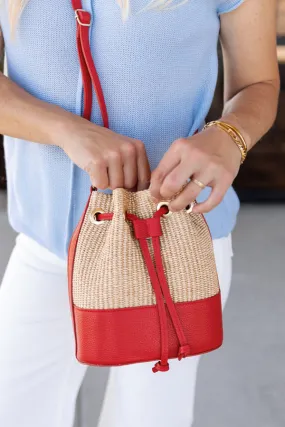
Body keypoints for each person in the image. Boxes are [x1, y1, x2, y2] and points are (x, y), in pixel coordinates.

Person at [0, 0, 279, 426]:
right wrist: (65, 129)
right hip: (45, 249)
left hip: (175, 249)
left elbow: (257, 83)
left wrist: (228, 136)